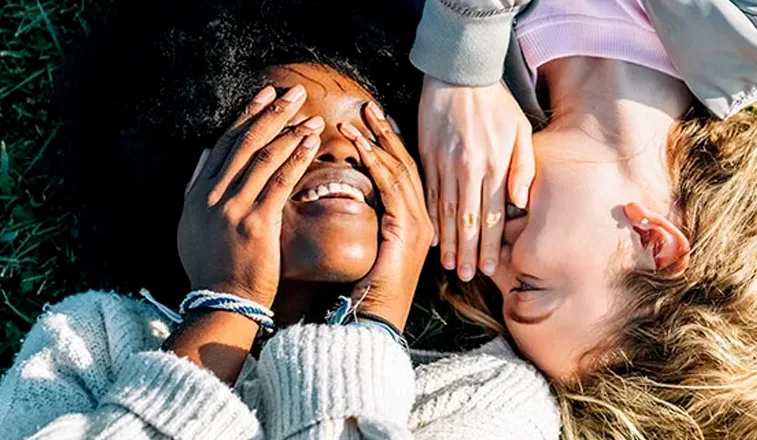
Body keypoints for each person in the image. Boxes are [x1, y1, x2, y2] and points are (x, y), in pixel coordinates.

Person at [0, 1, 559, 438]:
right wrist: (225, 305)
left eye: (372, 134)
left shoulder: (490, 390)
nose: (339, 152)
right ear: (194, 184)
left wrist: (375, 327)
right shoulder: (87, 339)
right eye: (288, 133)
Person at [413, 0, 757, 283]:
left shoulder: (437, 114)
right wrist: (465, 51)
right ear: (650, 241)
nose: (488, 265)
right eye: (529, 289)